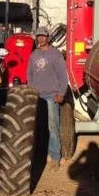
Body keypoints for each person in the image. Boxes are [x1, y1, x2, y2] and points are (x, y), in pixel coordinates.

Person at [27, 26, 68, 171]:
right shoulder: (34, 55)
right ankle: (40, 154)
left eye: (43, 36)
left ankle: (55, 157)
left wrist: (61, 93)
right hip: (37, 96)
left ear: (48, 37)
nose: (41, 38)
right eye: (39, 36)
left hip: (51, 96)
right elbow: (30, 76)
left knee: (52, 128)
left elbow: (63, 76)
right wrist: (31, 92)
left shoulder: (55, 54)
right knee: (38, 127)